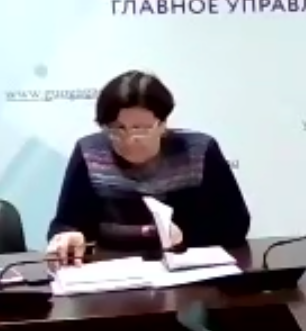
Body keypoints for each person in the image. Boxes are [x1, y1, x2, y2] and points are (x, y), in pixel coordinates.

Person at [46, 70, 249, 263]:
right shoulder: (90, 153)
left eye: (140, 129)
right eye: (117, 129)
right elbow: (65, 222)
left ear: (162, 124)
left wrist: (185, 238)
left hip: (187, 269)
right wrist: (66, 236)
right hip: (115, 272)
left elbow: (236, 225)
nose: (129, 139)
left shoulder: (199, 151)